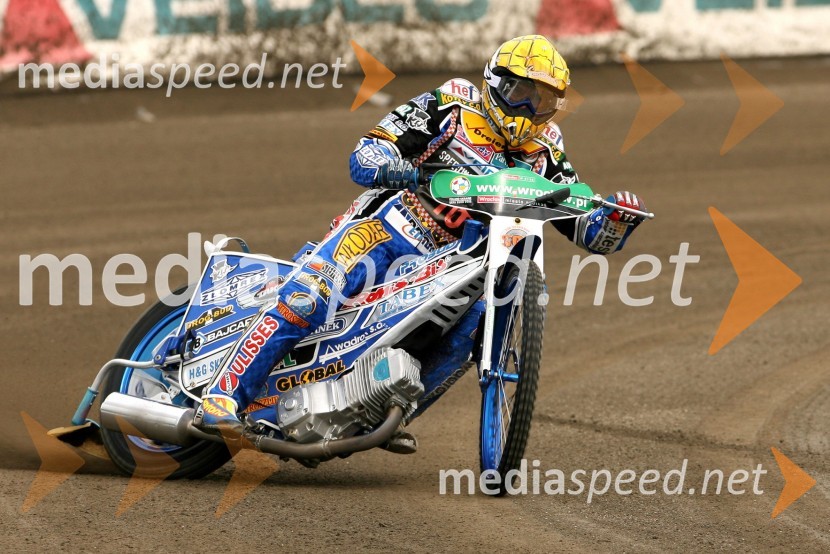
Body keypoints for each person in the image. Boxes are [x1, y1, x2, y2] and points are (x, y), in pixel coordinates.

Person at [194, 35, 646, 452]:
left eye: (542, 99)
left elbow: (583, 226)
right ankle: (220, 396)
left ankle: (380, 409)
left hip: (458, 262)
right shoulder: (452, 104)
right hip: (388, 229)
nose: (527, 107)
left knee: (475, 327)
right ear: (493, 82)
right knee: (311, 296)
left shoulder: (547, 148)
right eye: (518, 92)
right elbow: (366, 152)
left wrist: (614, 219)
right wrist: (402, 169)